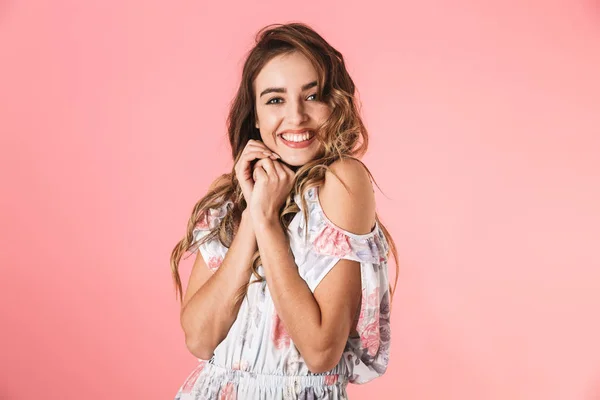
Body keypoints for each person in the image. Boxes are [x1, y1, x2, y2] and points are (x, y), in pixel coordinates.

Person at [170, 22, 399, 400]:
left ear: (335, 103)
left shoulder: (343, 182)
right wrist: (253, 214)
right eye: (275, 99)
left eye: (312, 96)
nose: (296, 117)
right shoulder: (232, 197)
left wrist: (266, 222)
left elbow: (321, 351)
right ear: (255, 116)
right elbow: (198, 339)